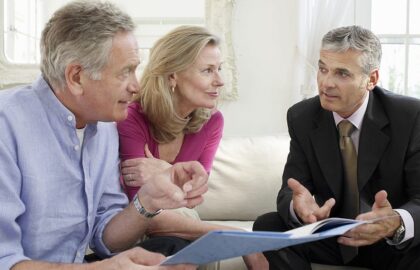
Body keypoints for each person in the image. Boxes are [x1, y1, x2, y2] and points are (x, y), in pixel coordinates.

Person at [0, 1, 207, 269]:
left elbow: (106, 238)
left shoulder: (105, 125)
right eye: (125, 72)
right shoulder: (7, 124)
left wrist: (147, 201)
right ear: (76, 77)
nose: (136, 86)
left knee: (177, 253)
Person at [253, 25, 420, 270]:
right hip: (334, 238)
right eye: (323, 69)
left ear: (371, 79)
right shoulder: (302, 116)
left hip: (389, 239)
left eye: (342, 73)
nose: (326, 83)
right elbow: (291, 190)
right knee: (268, 226)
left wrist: (396, 221)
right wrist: (300, 208)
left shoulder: (410, 116)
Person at [117, 25, 268, 269]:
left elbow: (192, 197)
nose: (219, 81)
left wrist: (164, 171)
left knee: (187, 245)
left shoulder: (212, 121)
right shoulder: (131, 117)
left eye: (219, 69)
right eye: (207, 71)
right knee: (187, 249)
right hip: (132, 226)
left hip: (178, 223)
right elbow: (146, 214)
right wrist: (236, 235)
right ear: (172, 76)